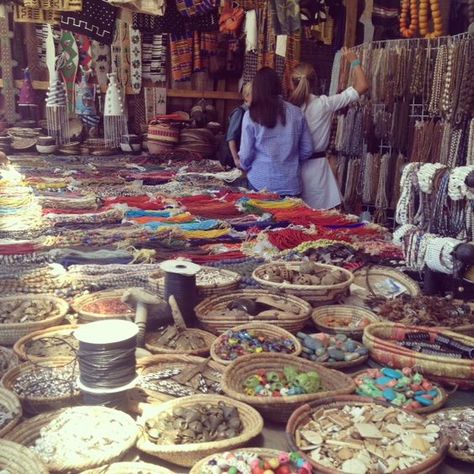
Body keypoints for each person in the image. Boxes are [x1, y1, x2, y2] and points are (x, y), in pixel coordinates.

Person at [289, 47, 369, 209]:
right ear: (315, 82)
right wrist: (354, 60)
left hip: (290, 171)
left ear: (291, 83)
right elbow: (362, 85)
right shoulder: (324, 104)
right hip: (318, 173)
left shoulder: (287, 107)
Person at [239, 67, 314, 197]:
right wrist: (291, 160)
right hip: (290, 184)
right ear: (278, 86)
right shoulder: (296, 112)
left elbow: (245, 154)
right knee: (288, 218)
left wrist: (245, 166)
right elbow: (308, 149)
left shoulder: (250, 115)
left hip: (260, 183)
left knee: (258, 217)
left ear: (256, 89)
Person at [218, 82, 252, 169]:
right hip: (232, 157)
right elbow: (231, 138)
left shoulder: (251, 113)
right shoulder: (240, 112)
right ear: (247, 96)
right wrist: (236, 159)